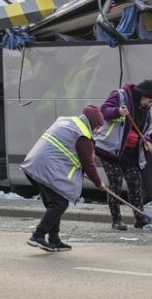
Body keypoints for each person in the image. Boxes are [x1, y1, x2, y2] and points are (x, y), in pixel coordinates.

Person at [21, 105, 106, 252]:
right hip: (46, 168)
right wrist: (99, 183)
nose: (97, 131)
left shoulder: (67, 121)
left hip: (35, 164)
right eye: (98, 127)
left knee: (55, 203)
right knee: (60, 203)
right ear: (92, 123)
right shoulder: (84, 136)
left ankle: (54, 240)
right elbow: (89, 164)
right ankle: (38, 235)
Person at [95, 79, 152, 230]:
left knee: (135, 182)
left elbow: (143, 128)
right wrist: (118, 111)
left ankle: (140, 218)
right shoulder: (120, 96)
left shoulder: (144, 108)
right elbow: (103, 111)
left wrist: (147, 140)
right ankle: (116, 220)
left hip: (130, 152)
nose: (151, 104)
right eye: (150, 100)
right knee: (116, 183)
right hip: (111, 150)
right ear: (143, 95)